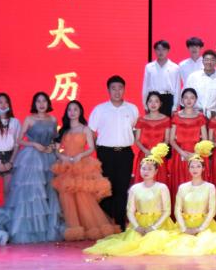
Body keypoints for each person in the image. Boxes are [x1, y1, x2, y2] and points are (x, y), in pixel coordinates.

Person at [82, 150, 175, 257]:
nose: (146, 171)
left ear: (156, 171)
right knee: (133, 242)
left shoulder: (162, 187)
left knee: (157, 239)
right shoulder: (134, 188)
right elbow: (130, 211)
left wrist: (154, 227)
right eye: (143, 168)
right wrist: (137, 226)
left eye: (150, 169)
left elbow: (167, 210)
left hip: (159, 223)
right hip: (139, 223)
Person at [53, 100, 119, 241]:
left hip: (81, 164)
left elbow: (91, 148)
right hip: (66, 165)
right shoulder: (63, 130)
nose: (72, 112)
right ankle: (73, 228)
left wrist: (80, 156)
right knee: (67, 197)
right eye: (70, 109)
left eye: (75, 109)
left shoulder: (85, 129)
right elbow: (56, 150)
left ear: (80, 112)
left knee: (83, 197)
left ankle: (89, 228)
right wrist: (63, 157)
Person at [4, 91, 64, 243]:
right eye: (38, 101)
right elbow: (19, 140)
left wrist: (52, 146)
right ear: (34, 104)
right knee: (33, 195)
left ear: (48, 103)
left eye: (44, 101)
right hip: (32, 158)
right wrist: (34, 144)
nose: (41, 104)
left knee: (50, 193)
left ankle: (48, 230)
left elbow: (55, 140)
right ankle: (31, 230)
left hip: (49, 157)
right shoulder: (29, 119)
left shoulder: (53, 119)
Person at [89, 75, 140, 229]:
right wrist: (98, 151)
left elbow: (136, 130)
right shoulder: (100, 109)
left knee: (122, 188)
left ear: (124, 89)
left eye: (120, 88)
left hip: (125, 153)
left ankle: (120, 223)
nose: (117, 91)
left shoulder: (132, 109)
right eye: (113, 88)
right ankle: (106, 223)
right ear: (108, 90)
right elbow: (91, 132)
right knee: (106, 188)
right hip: (105, 153)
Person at [169, 153, 216, 255]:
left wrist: (200, 229)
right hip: (185, 224)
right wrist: (184, 228)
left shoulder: (210, 187)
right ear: (188, 169)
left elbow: (212, 210)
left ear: (203, 168)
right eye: (192, 167)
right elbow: (177, 209)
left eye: (198, 166)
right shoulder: (182, 187)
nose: (195, 169)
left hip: (205, 225)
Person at [133, 92, 171, 184]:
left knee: (159, 183)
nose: (153, 104)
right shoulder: (141, 120)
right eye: (150, 101)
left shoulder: (166, 120)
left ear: (160, 104)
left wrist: (156, 152)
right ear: (146, 103)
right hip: (144, 155)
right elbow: (137, 140)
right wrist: (146, 151)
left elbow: (167, 139)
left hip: (159, 156)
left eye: (156, 101)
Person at [142, 40, 181, 116]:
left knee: (167, 122)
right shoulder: (149, 67)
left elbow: (177, 88)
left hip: (168, 98)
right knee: (153, 122)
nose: (161, 52)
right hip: (153, 99)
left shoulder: (175, 67)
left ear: (168, 50)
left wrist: (175, 106)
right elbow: (145, 87)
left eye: (164, 49)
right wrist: (145, 104)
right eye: (158, 49)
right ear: (155, 50)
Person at [186, 50, 216, 115]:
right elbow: (186, 96)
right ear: (202, 61)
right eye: (206, 60)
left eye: (212, 60)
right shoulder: (193, 77)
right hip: (196, 113)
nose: (209, 62)